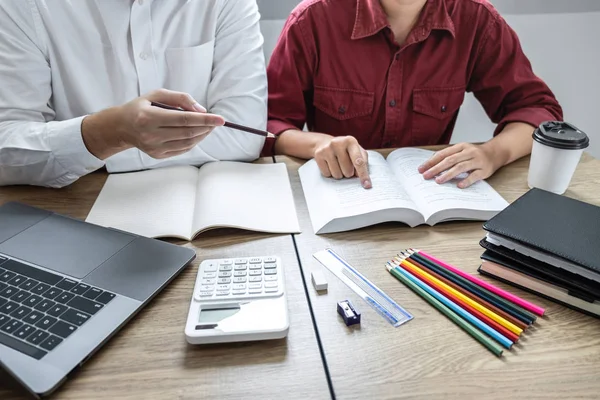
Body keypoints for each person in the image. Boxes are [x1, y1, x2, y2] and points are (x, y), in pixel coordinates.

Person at [265, 0, 563, 189]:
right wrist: (320, 143)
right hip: (339, 194)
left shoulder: (476, 19)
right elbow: (267, 125)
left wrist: (493, 154)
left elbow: (538, 111)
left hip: (434, 199)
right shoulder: (313, 20)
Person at [0, 0, 267, 188]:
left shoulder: (230, 3)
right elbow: (7, 150)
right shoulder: (25, 6)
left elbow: (244, 137)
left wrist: (87, 151)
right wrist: (107, 133)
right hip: (71, 215)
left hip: (206, 200)